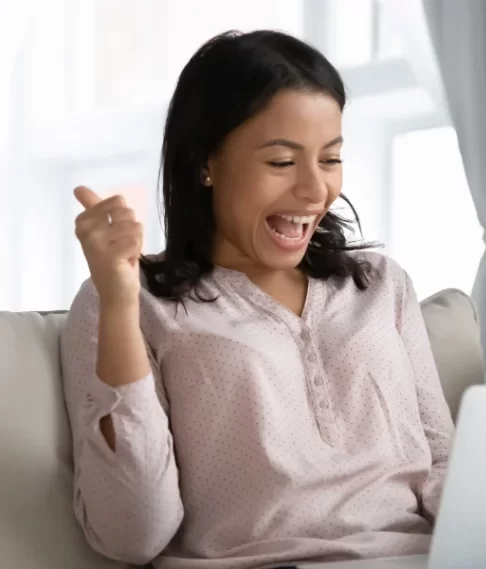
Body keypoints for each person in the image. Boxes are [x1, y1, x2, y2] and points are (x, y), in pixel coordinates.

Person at [60, 30, 454, 569]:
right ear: (206, 163)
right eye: (281, 162)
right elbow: (132, 533)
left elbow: (443, 466)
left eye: (331, 159)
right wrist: (119, 305)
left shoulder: (380, 284)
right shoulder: (129, 302)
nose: (316, 190)